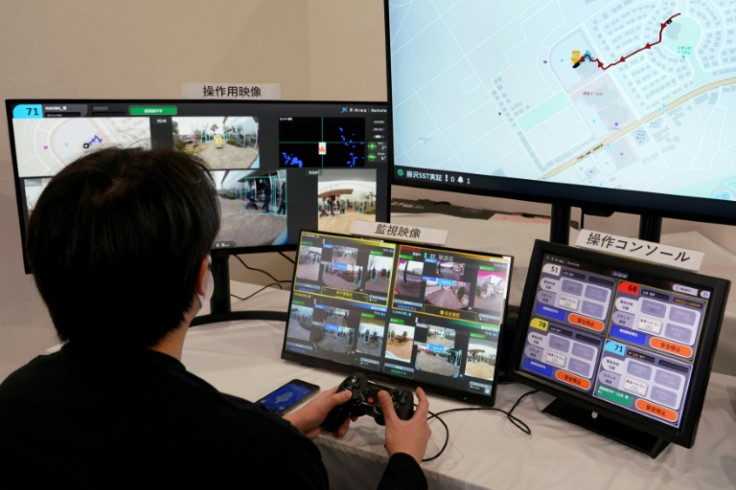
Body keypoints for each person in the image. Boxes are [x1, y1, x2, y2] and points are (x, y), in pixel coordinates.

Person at [0, 147, 431, 488]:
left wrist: (273, 432)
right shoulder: (263, 457)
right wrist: (406, 462)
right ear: (201, 277)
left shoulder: (12, 401)